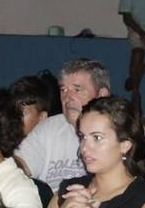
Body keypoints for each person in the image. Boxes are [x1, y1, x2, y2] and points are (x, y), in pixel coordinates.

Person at [16, 59, 113, 191]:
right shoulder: (50, 127)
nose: (67, 98)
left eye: (77, 89)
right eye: (63, 90)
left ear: (102, 95)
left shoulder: (125, 131)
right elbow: (21, 165)